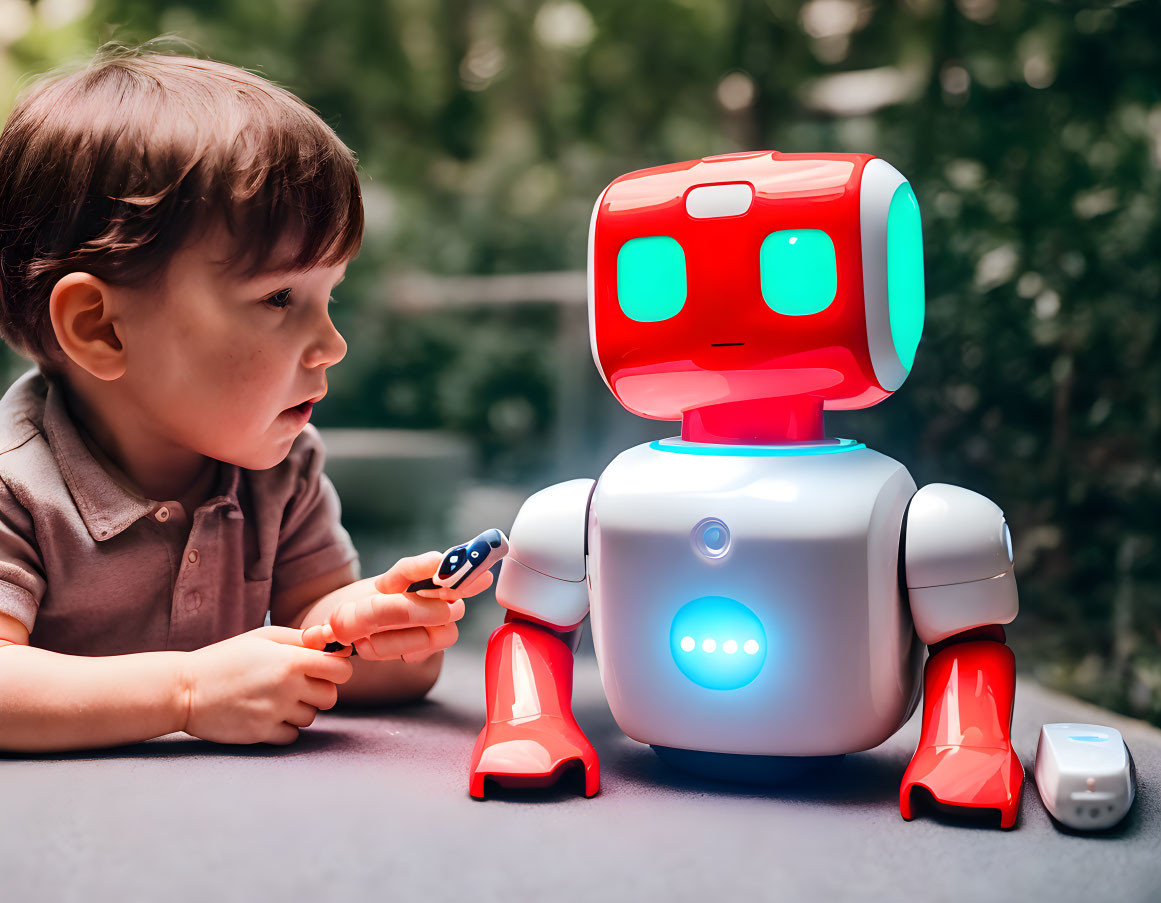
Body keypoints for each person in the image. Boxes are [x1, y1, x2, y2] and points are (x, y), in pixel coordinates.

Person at [0, 43, 483, 753]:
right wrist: (186, 692)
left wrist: (370, 623)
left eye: (330, 295)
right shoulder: (18, 485)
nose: (333, 344)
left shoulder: (278, 467)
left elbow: (344, 656)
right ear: (100, 328)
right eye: (279, 296)